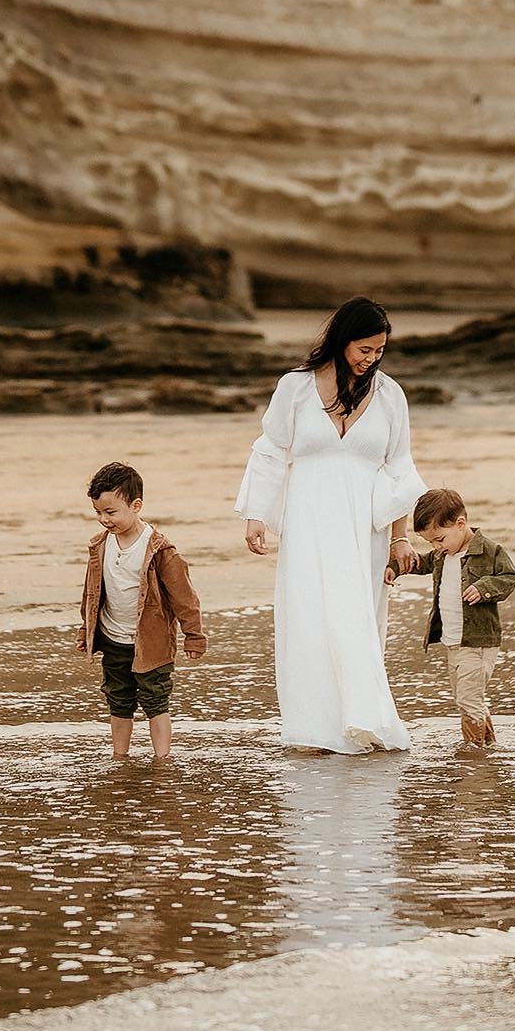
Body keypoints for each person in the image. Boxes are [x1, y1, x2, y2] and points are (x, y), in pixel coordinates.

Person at [238, 297, 422, 754]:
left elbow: (399, 471)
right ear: (342, 341)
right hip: (309, 524)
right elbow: (271, 450)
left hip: (367, 529)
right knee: (309, 621)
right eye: (364, 349)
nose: (371, 359)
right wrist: (256, 513)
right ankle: (315, 730)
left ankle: (363, 721)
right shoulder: (295, 388)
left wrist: (401, 539)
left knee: (357, 621)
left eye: (379, 351)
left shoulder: (390, 395)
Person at [76, 459, 207, 763]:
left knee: (155, 701)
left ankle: (162, 760)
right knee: (118, 701)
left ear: (136, 505)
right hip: (112, 639)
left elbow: (184, 597)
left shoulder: (160, 549)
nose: (104, 519)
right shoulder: (100, 545)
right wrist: (86, 630)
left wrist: (194, 636)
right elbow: (91, 593)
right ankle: (119, 757)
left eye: (111, 512)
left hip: (151, 642)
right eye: (98, 513)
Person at [389, 484, 515, 751]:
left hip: (478, 641)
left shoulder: (489, 551)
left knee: (468, 699)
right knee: (468, 697)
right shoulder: (442, 554)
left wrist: (484, 589)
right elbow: (419, 563)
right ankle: (488, 746)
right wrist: (394, 568)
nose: (437, 547)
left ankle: (474, 755)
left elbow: (509, 578)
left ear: (461, 523)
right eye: (431, 543)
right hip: (453, 641)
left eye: (440, 539)